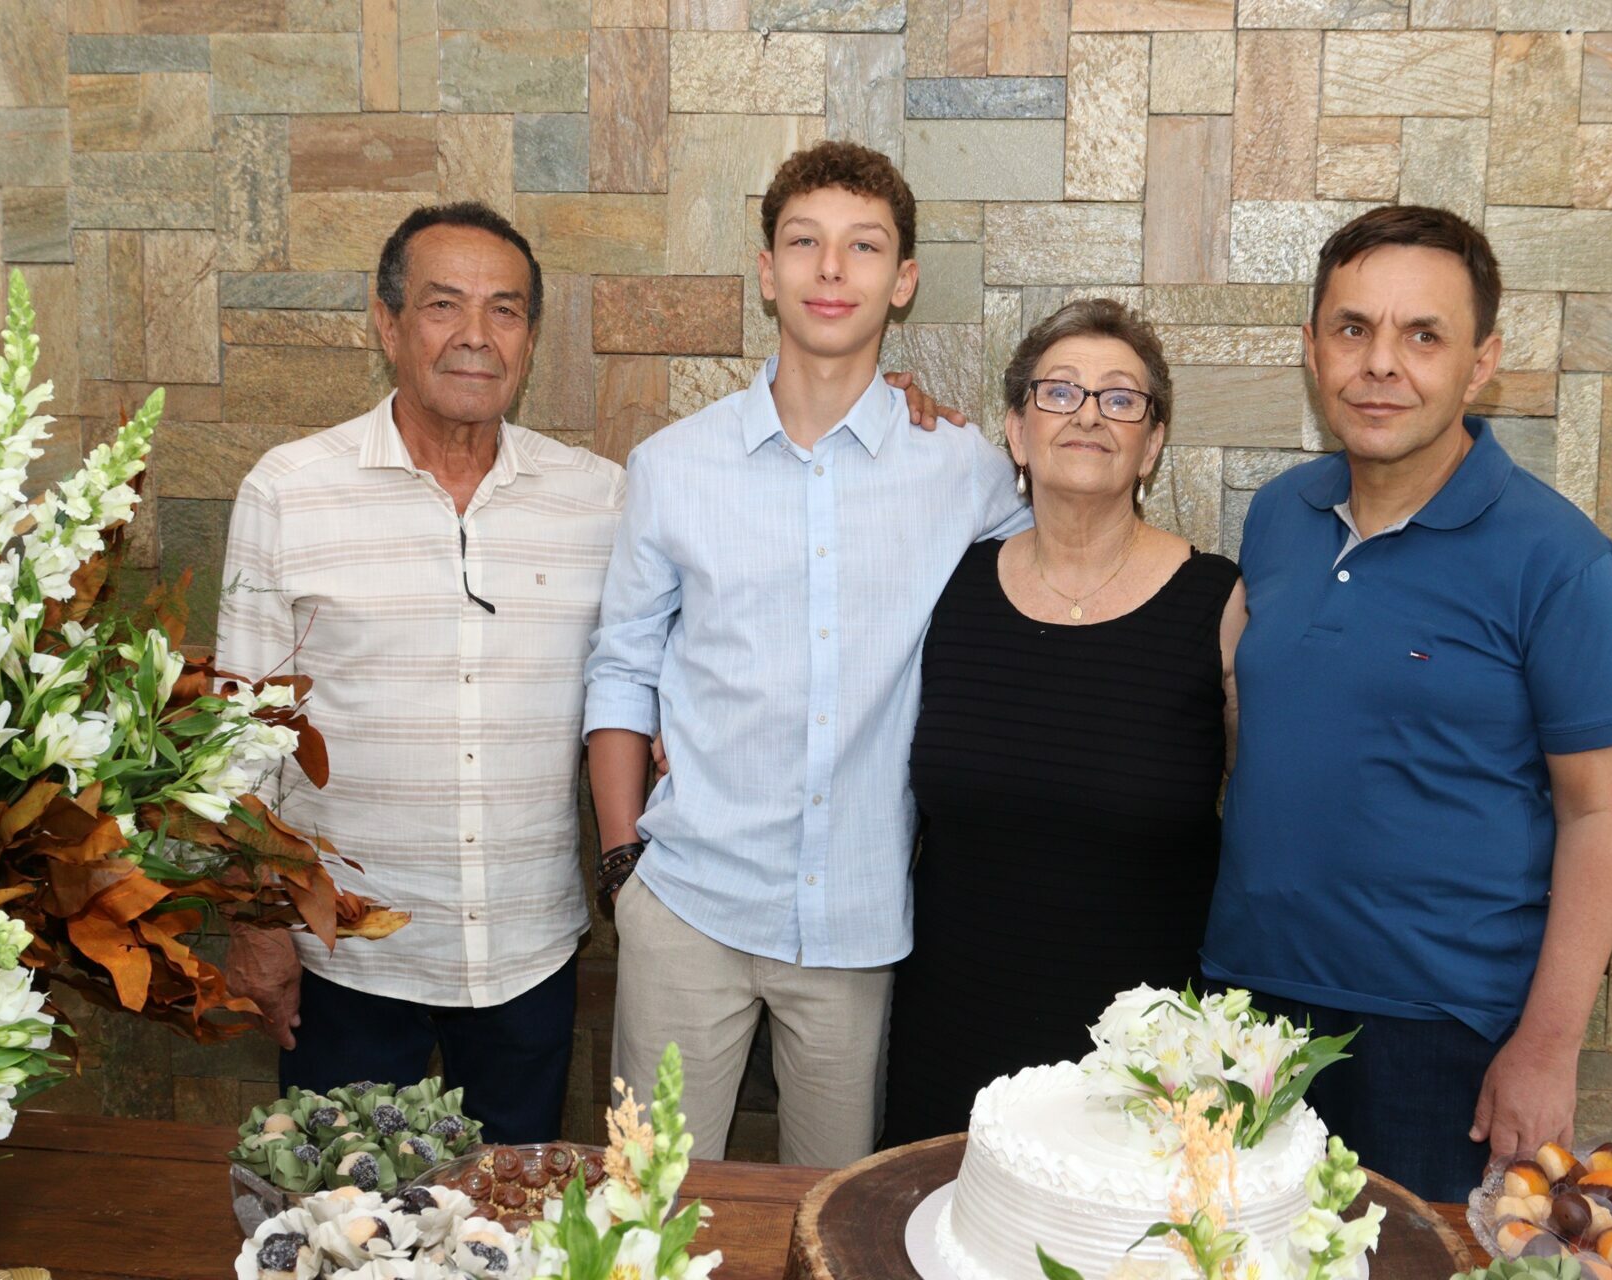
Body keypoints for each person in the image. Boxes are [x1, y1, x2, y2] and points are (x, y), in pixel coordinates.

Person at [582, 141, 1028, 1166]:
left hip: (858, 922)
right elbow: (622, 666)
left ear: (903, 281)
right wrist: (622, 868)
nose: (832, 268)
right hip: (685, 900)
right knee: (648, 1199)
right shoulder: (673, 466)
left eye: (863, 246)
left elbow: (1054, 573)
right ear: (767, 270)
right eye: (804, 243)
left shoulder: (961, 468)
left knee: (831, 1207)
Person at [1199, 205, 1612, 1200]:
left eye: (1423, 335)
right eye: (1353, 328)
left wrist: (1548, 1046)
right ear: (1312, 347)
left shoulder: (1558, 557)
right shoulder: (1278, 516)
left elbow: (1599, 812)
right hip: (1247, 1010)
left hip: (1440, 1038)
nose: (1380, 363)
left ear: (1482, 364)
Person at [216, 202, 625, 1143]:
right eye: (444, 305)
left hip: (527, 954)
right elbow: (239, 742)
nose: (476, 334)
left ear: (530, 337)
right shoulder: (289, 492)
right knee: (343, 1211)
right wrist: (256, 923)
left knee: (511, 1210)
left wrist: (880, 402)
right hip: (345, 957)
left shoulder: (600, 499)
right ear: (387, 322)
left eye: (506, 310)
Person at [880, 299, 1243, 1146]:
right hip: (953, 1029)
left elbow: (1264, 809)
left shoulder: (1219, 603)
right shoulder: (952, 586)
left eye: (1120, 398)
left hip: (1142, 1055)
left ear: (1152, 443)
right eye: (1059, 392)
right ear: (1016, 430)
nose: (1087, 414)